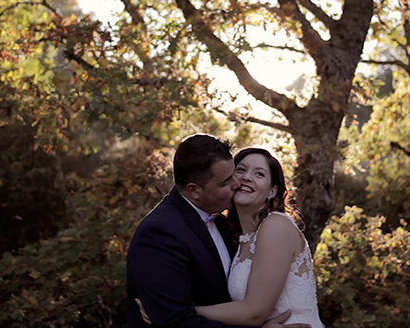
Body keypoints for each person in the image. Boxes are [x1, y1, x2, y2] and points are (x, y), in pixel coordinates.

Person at [126, 134, 309, 328]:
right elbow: (178, 323)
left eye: (233, 174)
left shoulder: (226, 225)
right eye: (226, 181)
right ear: (194, 190)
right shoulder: (160, 234)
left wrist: (178, 310)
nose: (238, 183)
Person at [194, 147, 323, 328]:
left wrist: (181, 311)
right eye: (241, 170)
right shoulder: (241, 238)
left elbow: (253, 313)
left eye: (259, 174)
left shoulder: (276, 225)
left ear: (271, 192)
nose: (247, 177)